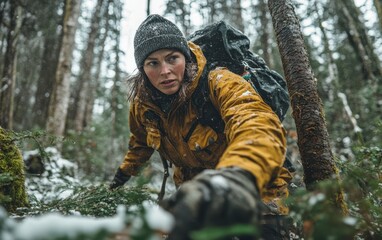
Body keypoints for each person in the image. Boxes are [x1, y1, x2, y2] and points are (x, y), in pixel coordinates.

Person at [110, 14, 293, 240]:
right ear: (142, 69)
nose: (165, 71)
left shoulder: (218, 81)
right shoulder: (143, 106)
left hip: (255, 187)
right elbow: (140, 143)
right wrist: (121, 177)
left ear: (185, 57)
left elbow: (256, 124)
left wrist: (237, 176)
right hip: (195, 196)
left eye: (172, 58)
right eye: (153, 63)